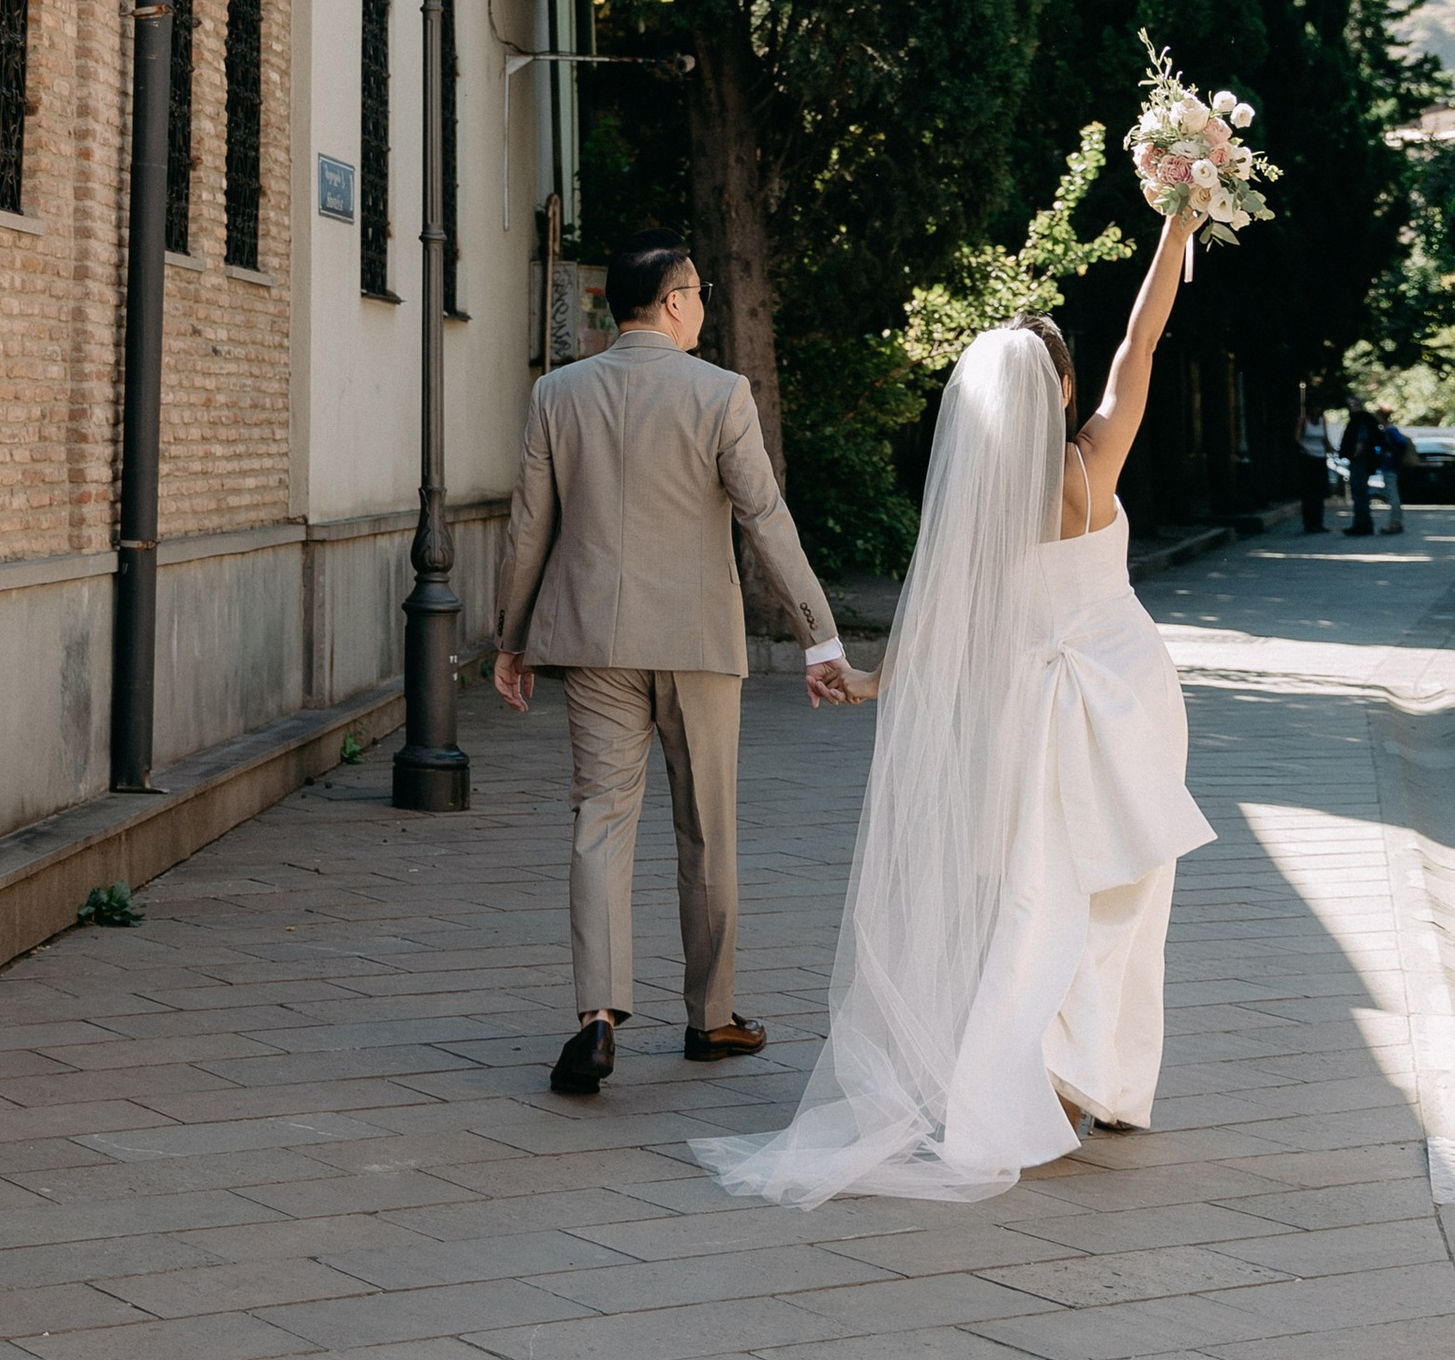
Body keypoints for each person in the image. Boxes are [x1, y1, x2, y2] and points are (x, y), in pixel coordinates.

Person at [690, 199, 1214, 1206]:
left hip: (1034, 720)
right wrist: (1176, 230)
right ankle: (1096, 1077)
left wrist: (875, 680)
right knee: (1126, 899)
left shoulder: (985, 506)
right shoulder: (1084, 468)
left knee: (1032, 895)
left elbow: (940, 624)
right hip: (1126, 707)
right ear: (1057, 385)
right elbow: (1140, 338)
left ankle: (1037, 1075)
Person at [491, 235, 853, 1099]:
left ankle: (598, 1019)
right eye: (701, 292)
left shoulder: (557, 393)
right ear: (676, 301)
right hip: (696, 646)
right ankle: (711, 1016)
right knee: (707, 829)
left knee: (600, 824)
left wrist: (512, 638)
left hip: (593, 647)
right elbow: (768, 518)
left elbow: (526, 526)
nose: (705, 306)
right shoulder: (721, 394)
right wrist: (822, 638)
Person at [1343, 403, 1382, 537]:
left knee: (1359, 494)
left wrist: (1353, 455)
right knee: (1361, 494)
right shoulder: (1367, 420)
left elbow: (1360, 441)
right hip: (1365, 462)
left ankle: (1361, 524)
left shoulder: (1359, 420)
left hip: (1360, 462)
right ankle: (1364, 524)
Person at [1295, 398, 1332, 536]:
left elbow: (1325, 438)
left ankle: (1319, 523)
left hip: (1320, 458)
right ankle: (1309, 524)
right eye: (1314, 407)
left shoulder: (1323, 421)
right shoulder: (1304, 421)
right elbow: (1297, 437)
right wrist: (1305, 448)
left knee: (1319, 493)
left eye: (1319, 407)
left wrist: (1330, 450)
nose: (1317, 410)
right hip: (1308, 458)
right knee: (1308, 492)